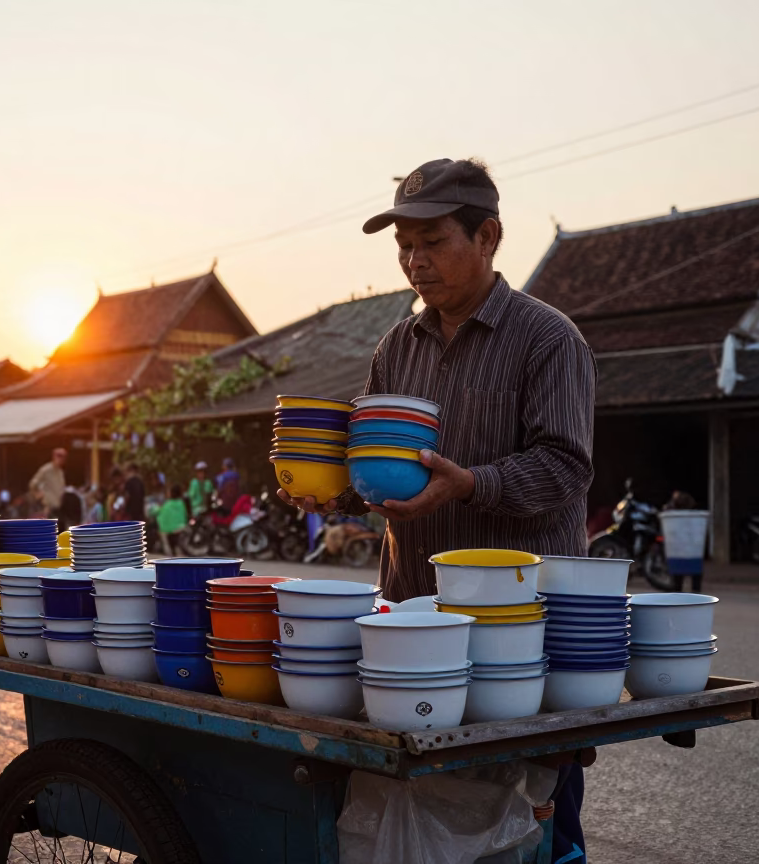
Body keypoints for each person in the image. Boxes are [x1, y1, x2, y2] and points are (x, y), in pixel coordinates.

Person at [279, 159, 596, 864]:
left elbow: (567, 468)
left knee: (536, 826)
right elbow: (375, 464)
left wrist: (469, 483)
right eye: (403, 246)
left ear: (488, 236)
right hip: (413, 625)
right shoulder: (397, 345)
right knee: (411, 822)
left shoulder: (548, 339)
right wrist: (331, 487)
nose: (414, 262)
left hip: (513, 634)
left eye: (433, 241)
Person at [29, 448, 67, 518]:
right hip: (48, 507)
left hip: (58, 507)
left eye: (63, 457)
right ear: (54, 457)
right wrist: (37, 493)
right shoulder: (46, 470)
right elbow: (33, 483)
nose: (61, 459)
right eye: (59, 456)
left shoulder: (60, 472)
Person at [156, 484, 189, 556]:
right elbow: (185, 516)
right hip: (180, 529)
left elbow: (158, 513)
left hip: (167, 530)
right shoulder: (181, 503)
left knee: (166, 543)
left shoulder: (167, 504)